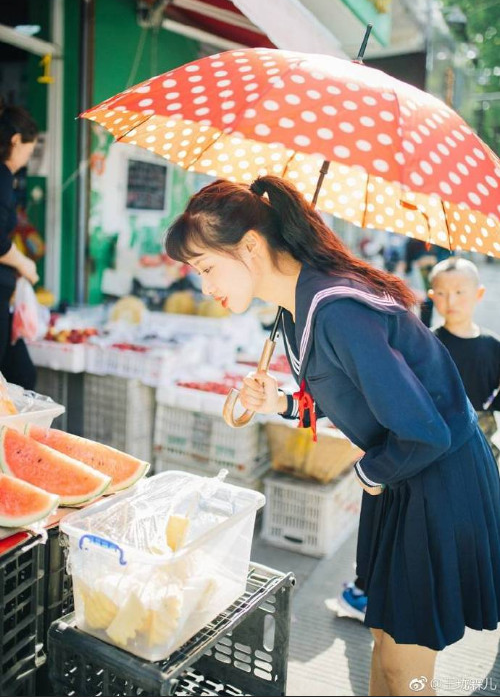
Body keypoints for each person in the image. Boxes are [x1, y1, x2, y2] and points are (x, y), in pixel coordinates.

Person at [165, 175, 500, 697]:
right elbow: (350, 391)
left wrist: (368, 472)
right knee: (385, 650)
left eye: (206, 267)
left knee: (409, 673)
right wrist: (280, 402)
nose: (204, 286)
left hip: (436, 480)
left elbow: (425, 432)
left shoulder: (337, 309)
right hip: (402, 477)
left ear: (250, 246)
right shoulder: (296, 306)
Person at [428, 257, 500, 461]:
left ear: (479, 293)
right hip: (437, 443)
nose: (451, 301)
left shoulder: (493, 346)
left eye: (459, 292)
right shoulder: (426, 345)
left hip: (482, 443)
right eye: (442, 293)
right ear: (432, 296)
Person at [0, 97, 39, 390]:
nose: (29, 155)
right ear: (15, 140)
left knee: (20, 374)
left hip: (5, 296)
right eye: (30, 147)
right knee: (18, 378)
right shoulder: (2, 176)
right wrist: (23, 262)